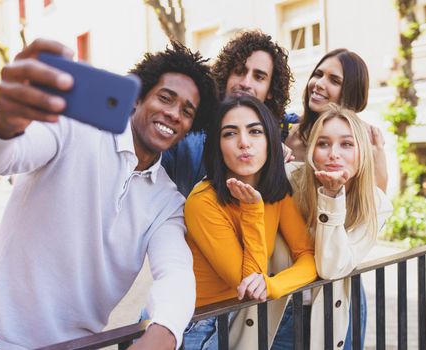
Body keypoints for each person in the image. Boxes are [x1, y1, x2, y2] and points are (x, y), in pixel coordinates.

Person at [0, 39, 218, 350]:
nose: (174, 113)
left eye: (187, 111)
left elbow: (175, 271)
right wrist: (4, 121)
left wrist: (165, 331)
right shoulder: (73, 128)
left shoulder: (167, 201)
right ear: (137, 99)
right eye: (165, 98)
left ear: (190, 127)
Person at [182, 95, 317, 349]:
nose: (244, 143)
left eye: (255, 131)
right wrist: (252, 209)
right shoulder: (202, 201)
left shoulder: (277, 191)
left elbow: (308, 255)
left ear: (270, 141)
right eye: (230, 134)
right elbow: (245, 283)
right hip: (199, 326)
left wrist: (274, 285)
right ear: (217, 146)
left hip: (244, 318)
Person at [277, 104, 393, 349]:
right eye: (323, 143)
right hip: (280, 313)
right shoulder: (287, 179)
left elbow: (331, 268)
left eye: (347, 144)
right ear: (312, 152)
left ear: (362, 152)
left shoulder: (375, 203)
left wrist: (332, 196)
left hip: (332, 314)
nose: (333, 153)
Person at [162, 30, 294, 197]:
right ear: (226, 75)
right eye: (239, 71)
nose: (246, 83)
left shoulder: (274, 140)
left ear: (270, 90)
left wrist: (274, 144)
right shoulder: (188, 135)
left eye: (259, 77)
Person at [284, 48, 388, 192]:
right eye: (318, 74)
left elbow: (377, 205)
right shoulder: (286, 130)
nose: (319, 83)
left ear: (351, 93)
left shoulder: (367, 140)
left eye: (334, 80)